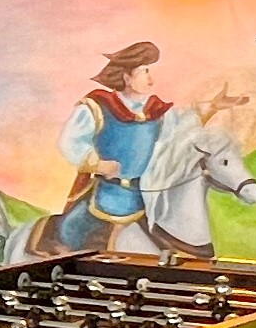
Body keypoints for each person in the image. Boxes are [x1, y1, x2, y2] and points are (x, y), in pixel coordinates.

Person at [53, 41, 170, 254]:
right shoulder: (98, 107)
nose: (151, 80)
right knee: (71, 231)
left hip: (147, 196)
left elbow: (179, 136)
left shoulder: (156, 111)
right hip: (108, 194)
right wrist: (98, 164)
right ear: (127, 77)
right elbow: (69, 141)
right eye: (145, 71)